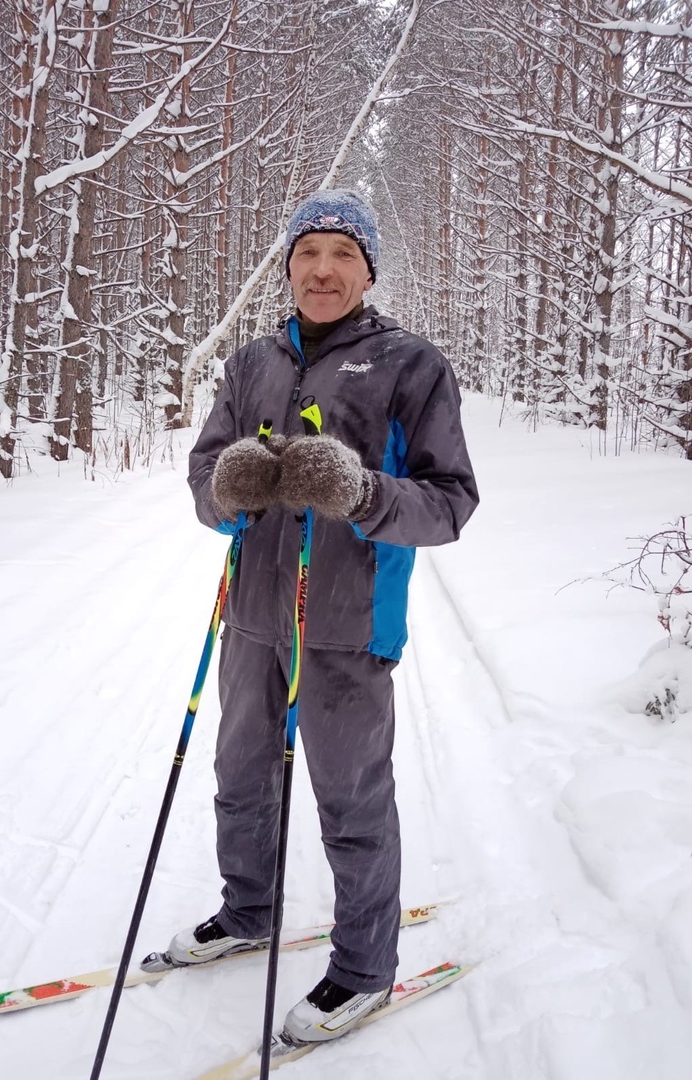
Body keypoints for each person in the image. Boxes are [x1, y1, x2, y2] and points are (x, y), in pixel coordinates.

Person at [151, 189, 478, 1044]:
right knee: (239, 778)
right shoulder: (250, 364)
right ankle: (248, 910)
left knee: (351, 801)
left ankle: (365, 970)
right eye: (308, 253)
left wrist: (362, 493)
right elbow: (204, 478)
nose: (322, 270)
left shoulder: (412, 366)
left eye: (342, 255)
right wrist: (225, 490)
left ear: (368, 271)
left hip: (348, 625)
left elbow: (450, 503)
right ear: (289, 265)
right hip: (252, 618)